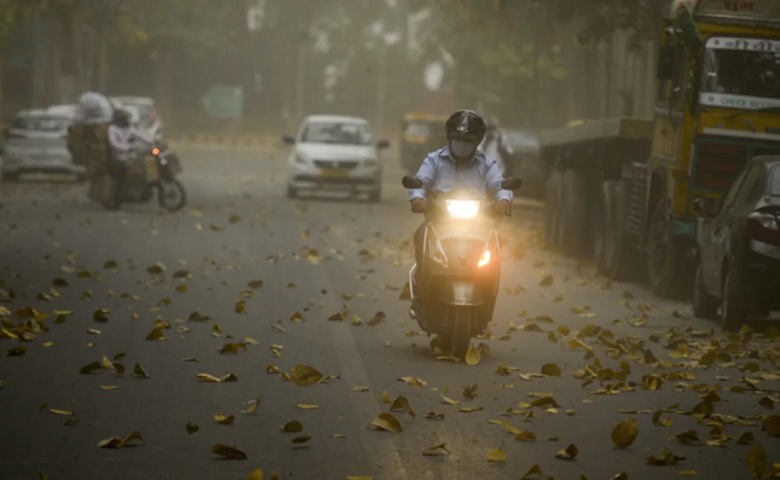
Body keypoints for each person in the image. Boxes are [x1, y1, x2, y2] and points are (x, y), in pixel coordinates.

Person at [407, 109, 513, 316]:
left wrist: (503, 201)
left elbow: (501, 185)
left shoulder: (486, 164)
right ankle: (422, 287)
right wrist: (417, 198)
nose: (462, 146)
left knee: (494, 251)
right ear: (449, 138)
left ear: (476, 142)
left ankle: (487, 297)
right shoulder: (434, 160)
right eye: (457, 140)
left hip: (478, 225)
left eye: (467, 141)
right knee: (420, 236)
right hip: (439, 222)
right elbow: (420, 180)